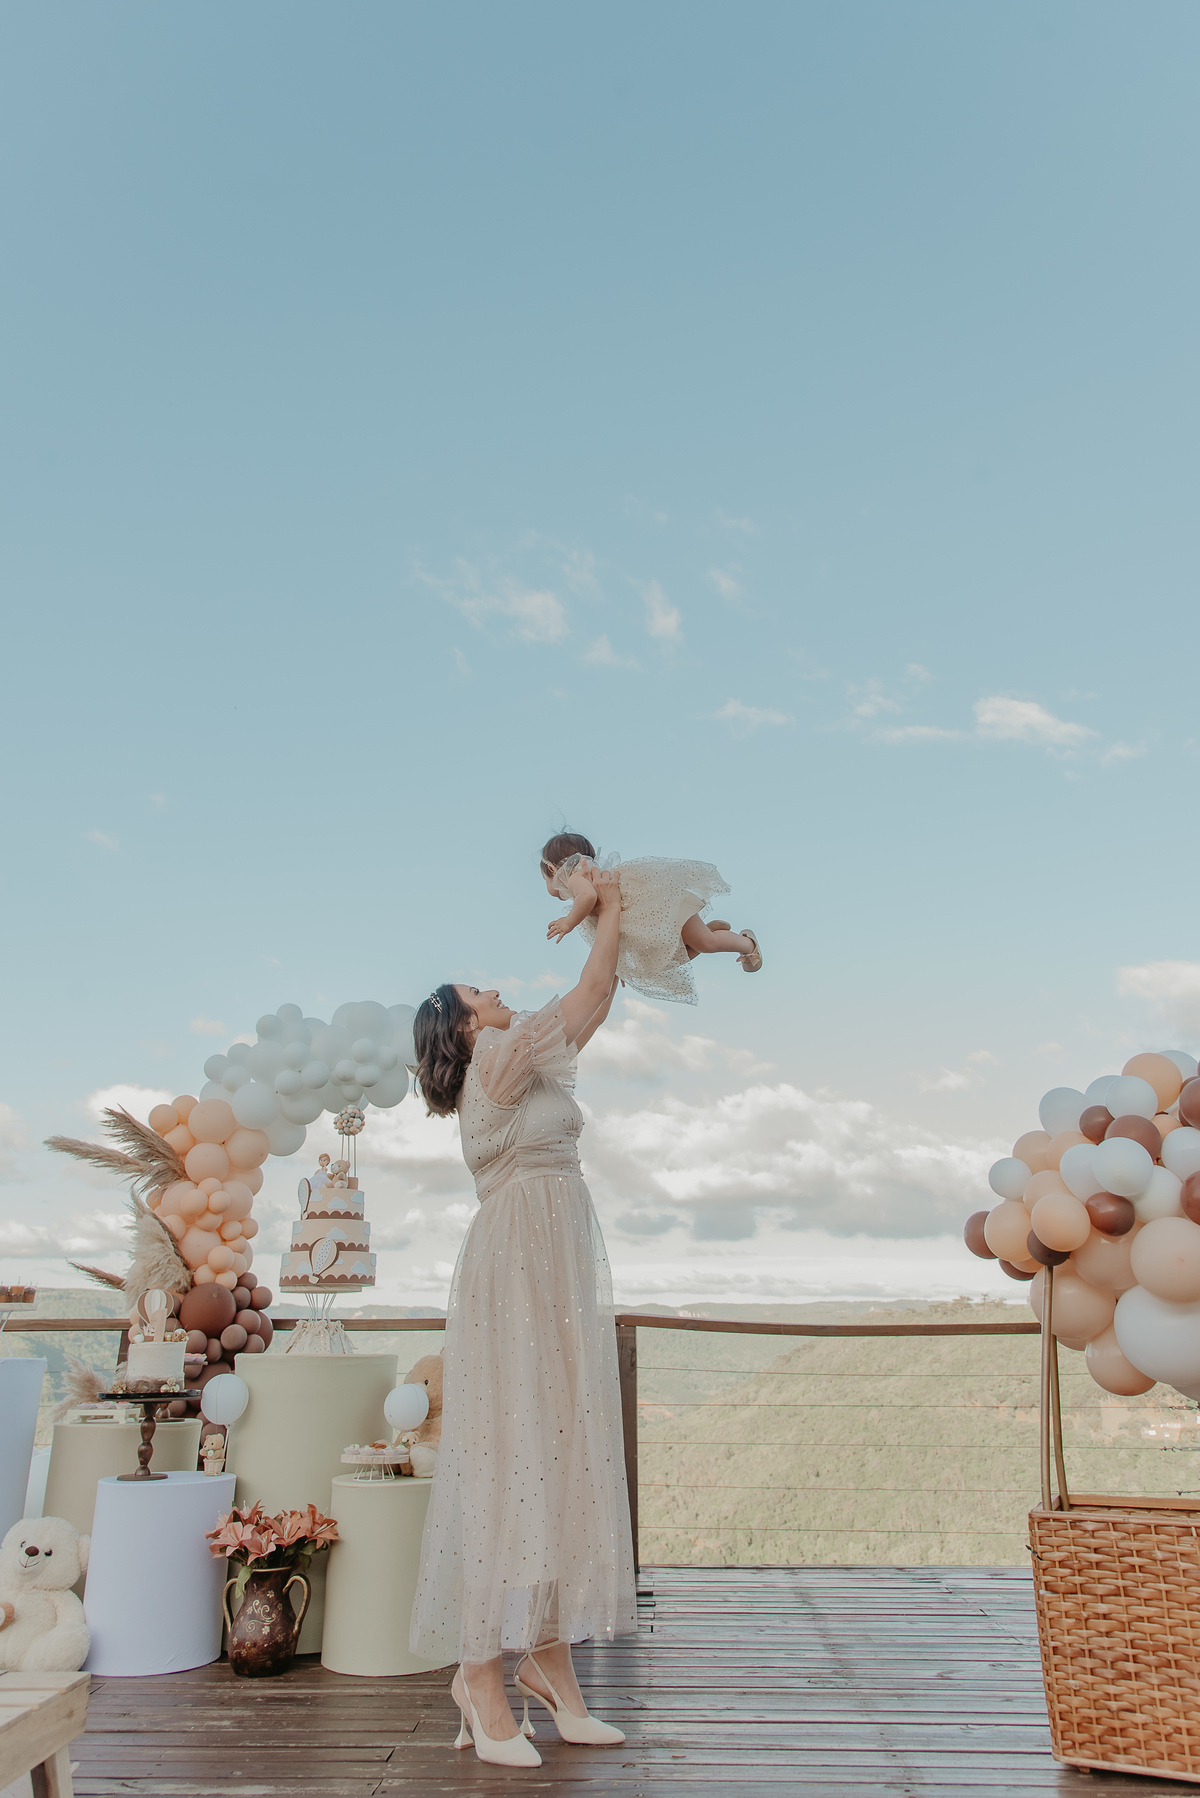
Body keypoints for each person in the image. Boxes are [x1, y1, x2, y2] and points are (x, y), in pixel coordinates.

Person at [410, 864, 635, 1769]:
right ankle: (478, 1675)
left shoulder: (523, 1061)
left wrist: (610, 912)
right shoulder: (498, 1060)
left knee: (555, 1452)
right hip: (515, 1270)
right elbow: (587, 990)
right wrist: (606, 905)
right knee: (510, 1459)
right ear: (464, 1026)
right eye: (478, 992)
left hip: (552, 1263)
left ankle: (548, 1657)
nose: (494, 990)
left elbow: (601, 994)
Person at [541, 830, 761, 1004]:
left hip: (665, 907)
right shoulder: (590, 876)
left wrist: (568, 922)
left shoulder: (576, 877)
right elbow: (612, 930)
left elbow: (587, 897)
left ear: (552, 870)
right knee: (659, 964)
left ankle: (748, 944)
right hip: (657, 915)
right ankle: (708, 931)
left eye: (545, 881)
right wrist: (620, 966)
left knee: (706, 944)